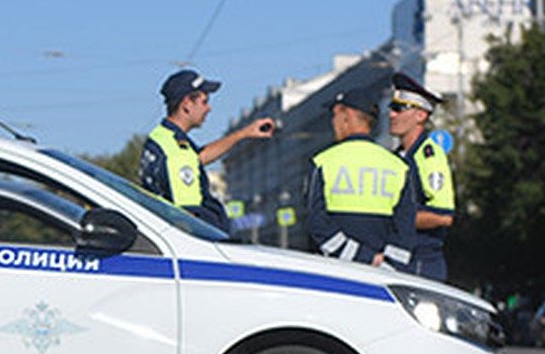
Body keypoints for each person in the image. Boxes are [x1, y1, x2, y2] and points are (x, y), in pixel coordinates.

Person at [139, 68, 276, 233]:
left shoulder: (163, 139)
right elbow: (189, 217)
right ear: (187, 104)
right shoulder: (177, 153)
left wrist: (244, 133)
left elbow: (199, 158)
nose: (209, 109)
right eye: (204, 102)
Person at [306, 87, 415, 269]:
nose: (333, 122)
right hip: (382, 276)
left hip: (333, 271)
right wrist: (384, 266)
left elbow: (317, 224)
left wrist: (361, 258)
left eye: (335, 115)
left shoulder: (322, 162)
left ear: (346, 116)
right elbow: (405, 231)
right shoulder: (399, 167)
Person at [388, 71, 455, 282]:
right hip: (396, 259)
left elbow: (443, 216)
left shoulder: (429, 156)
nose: (391, 114)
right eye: (391, 108)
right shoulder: (396, 157)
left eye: (398, 109)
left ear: (420, 115)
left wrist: (390, 219)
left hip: (420, 263)